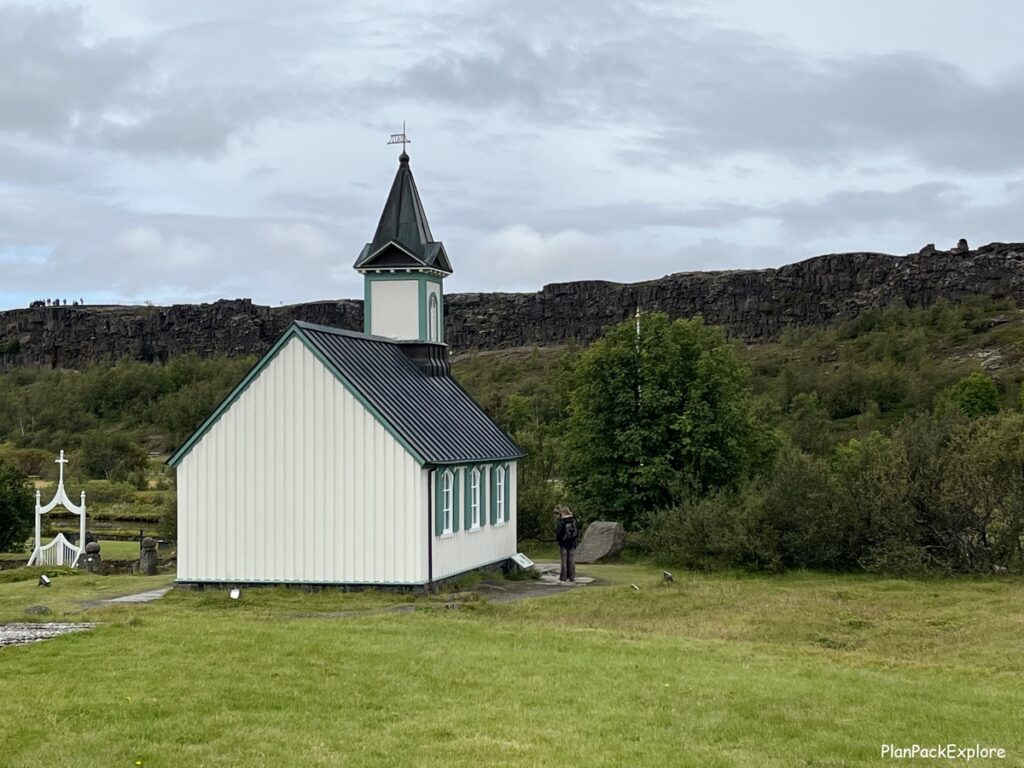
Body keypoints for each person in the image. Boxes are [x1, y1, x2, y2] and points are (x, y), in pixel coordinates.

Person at [555, 505, 578, 582]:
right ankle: (572, 577)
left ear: (563, 512)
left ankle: (563, 577)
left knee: (564, 561)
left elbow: (558, 532)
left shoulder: (562, 521)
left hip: (563, 543)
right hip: (572, 543)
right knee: (571, 560)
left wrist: (559, 540)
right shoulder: (574, 520)